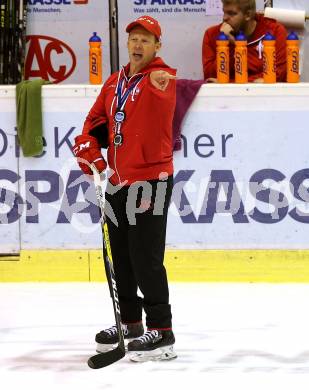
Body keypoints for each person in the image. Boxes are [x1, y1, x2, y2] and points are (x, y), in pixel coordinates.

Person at [72, 15, 177, 362]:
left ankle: (161, 331)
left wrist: (160, 80)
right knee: (122, 257)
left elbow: (163, 91)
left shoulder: (161, 79)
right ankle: (130, 323)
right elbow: (95, 122)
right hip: (116, 181)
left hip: (151, 180)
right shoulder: (115, 82)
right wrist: (87, 146)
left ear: (157, 46)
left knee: (146, 258)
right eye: (133, 38)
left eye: (146, 40)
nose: (137, 44)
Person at [202, 0, 287, 82]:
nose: (224, 18)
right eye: (224, 12)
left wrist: (230, 83)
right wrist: (227, 46)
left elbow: (278, 73)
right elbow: (210, 77)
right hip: (226, 96)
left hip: (265, 95)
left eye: (231, 13)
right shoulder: (212, 34)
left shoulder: (275, 32)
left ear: (248, 15)